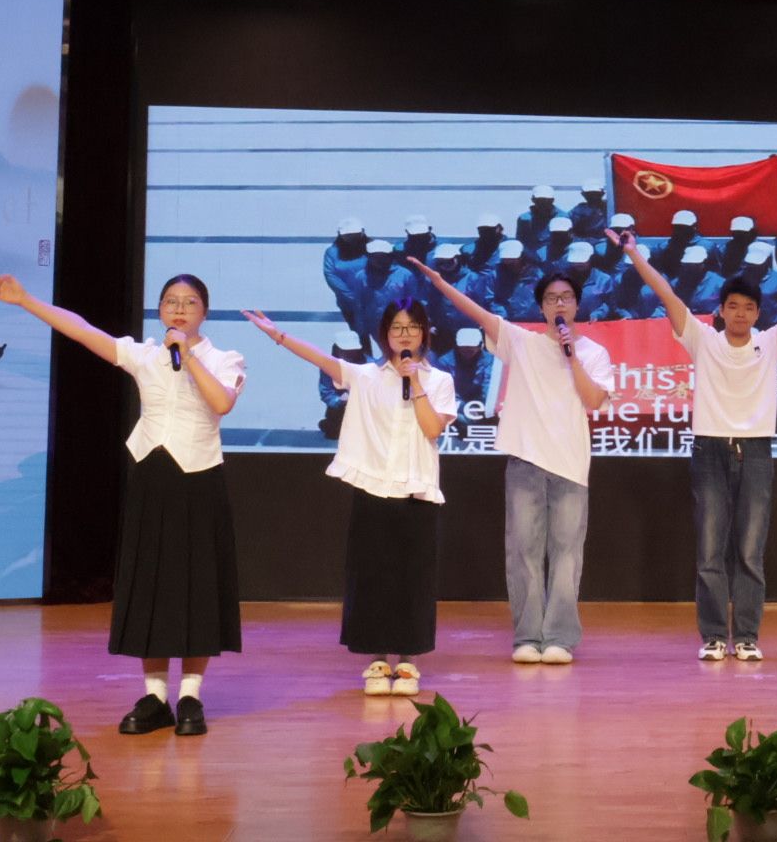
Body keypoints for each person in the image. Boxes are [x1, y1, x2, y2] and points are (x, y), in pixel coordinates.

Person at [0, 272, 244, 737]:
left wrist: (188, 355)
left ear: (204, 311)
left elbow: (221, 403)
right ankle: (155, 696)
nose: (179, 309)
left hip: (200, 479)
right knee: (151, 581)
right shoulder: (144, 355)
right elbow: (82, 330)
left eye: (189, 302)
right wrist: (25, 300)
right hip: (152, 477)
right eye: (170, 301)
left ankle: (190, 694)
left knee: (196, 583)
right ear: (160, 310)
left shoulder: (225, 359)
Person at [612, 227, 777, 662]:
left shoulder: (770, 342)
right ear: (720, 311)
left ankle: (748, 637)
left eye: (748, 307)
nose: (740, 313)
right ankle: (714, 636)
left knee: (750, 551)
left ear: (758, 313)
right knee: (709, 551)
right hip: (709, 450)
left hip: (755, 452)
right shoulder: (702, 339)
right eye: (733, 306)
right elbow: (665, 293)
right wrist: (634, 254)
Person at [243, 298, 455, 697]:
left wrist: (417, 384)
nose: (404, 335)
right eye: (396, 327)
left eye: (411, 327)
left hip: (417, 492)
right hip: (373, 489)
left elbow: (431, 429)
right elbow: (321, 359)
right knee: (372, 576)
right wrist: (277, 335)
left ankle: (408, 660)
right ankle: (377, 658)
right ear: (385, 334)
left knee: (412, 578)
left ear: (424, 333)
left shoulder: (440, 380)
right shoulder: (366, 376)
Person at [407, 257, 613, 664]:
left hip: (570, 465)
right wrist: (439, 281)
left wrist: (572, 357)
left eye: (566, 298)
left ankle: (559, 638)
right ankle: (527, 637)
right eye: (551, 298)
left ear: (577, 304)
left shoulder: (594, 352)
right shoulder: (521, 341)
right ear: (541, 306)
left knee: (567, 554)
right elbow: (476, 312)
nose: (559, 304)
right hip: (525, 460)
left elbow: (592, 400)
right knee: (523, 552)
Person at [317, 329, 373, 439]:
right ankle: (331, 423)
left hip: (365, 407)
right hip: (341, 406)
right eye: (346, 351)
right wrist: (339, 400)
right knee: (334, 434)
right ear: (337, 350)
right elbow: (326, 393)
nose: (350, 355)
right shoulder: (327, 366)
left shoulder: (371, 365)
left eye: (353, 351)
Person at [323, 217, 368, 339]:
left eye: (355, 235)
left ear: (362, 232)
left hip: (374, 300)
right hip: (348, 303)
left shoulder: (372, 248)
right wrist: (351, 296)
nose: (352, 240)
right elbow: (330, 275)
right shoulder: (332, 252)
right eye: (348, 236)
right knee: (359, 335)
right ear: (339, 235)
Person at [488, 239, 543, 322]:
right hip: (506, 322)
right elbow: (490, 300)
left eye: (513, 260)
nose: (510, 263)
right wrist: (502, 316)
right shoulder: (495, 275)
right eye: (506, 260)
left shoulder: (537, 274)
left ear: (522, 256)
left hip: (535, 321)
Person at [514, 185, 559, 253]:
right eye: (539, 200)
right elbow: (520, 242)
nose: (543, 203)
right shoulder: (524, 218)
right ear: (533, 200)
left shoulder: (562, 217)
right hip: (530, 256)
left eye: (546, 200)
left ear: (552, 200)